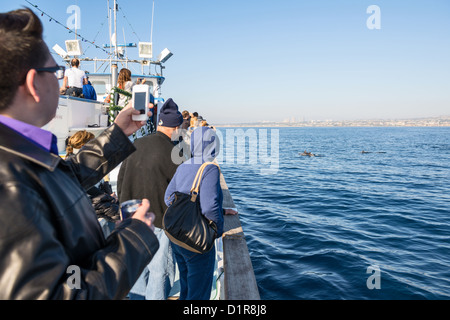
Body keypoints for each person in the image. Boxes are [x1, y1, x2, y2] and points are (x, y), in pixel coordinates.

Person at [0, 8, 159, 299]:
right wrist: (135, 237)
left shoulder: (17, 155)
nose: (61, 82)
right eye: (56, 72)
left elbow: (64, 177)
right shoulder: (8, 183)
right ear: (35, 83)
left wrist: (118, 133)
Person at [117, 98, 184, 300]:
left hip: (132, 220)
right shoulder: (177, 152)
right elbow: (185, 190)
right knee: (159, 272)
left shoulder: (137, 143)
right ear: (177, 126)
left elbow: (121, 180)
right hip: (161, 222)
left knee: (136, 270)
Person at [164, 127, 235, 300]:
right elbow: (209, 207)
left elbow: (168, 198)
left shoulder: (184, 165)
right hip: (197, 240)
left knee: (186, 286)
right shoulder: (210, 168)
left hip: (177, 236)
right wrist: (217, 230)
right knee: (199, 294)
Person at [66, 130, 120, 223]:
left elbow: (102, 182)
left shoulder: (88, 162)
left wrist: (110, 195)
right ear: (83, 146)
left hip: (98, 201)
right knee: (118, 214)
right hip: (86, 204)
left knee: (119, 206)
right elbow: (86, 186)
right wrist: (108, 197)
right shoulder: (73, 164)